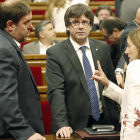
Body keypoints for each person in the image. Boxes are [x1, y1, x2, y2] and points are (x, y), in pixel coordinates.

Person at [46, 3, 120, 138]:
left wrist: (116, 117)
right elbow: (56, 91)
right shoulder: (55, 53)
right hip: (74, 123)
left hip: (106, 120)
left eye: (85, 22)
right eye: (75, 22)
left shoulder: (102, 47)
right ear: (67, 26)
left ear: (91, 26)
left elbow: (110, 82)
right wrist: (62, 124)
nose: (81, 26)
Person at [0, 0, 45, 139]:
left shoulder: (7, 43)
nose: (31, 27)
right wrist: (25, 132)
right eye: (26, 22)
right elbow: (6, 97)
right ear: (10, 25)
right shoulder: (4, 49)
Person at [91, 28, 140, 140]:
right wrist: (107, 82)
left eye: (129, 46)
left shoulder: (135, 65)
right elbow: (129, 99)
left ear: (138, 46)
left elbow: (134, 113)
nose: (126, 51)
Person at [100, 17, 137, 87]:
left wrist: (118, 71)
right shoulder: (116, 39)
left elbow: (126, 54)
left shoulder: (128, 33)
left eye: (106, 37)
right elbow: (109, 54)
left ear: (115, 31)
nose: (107, 39)